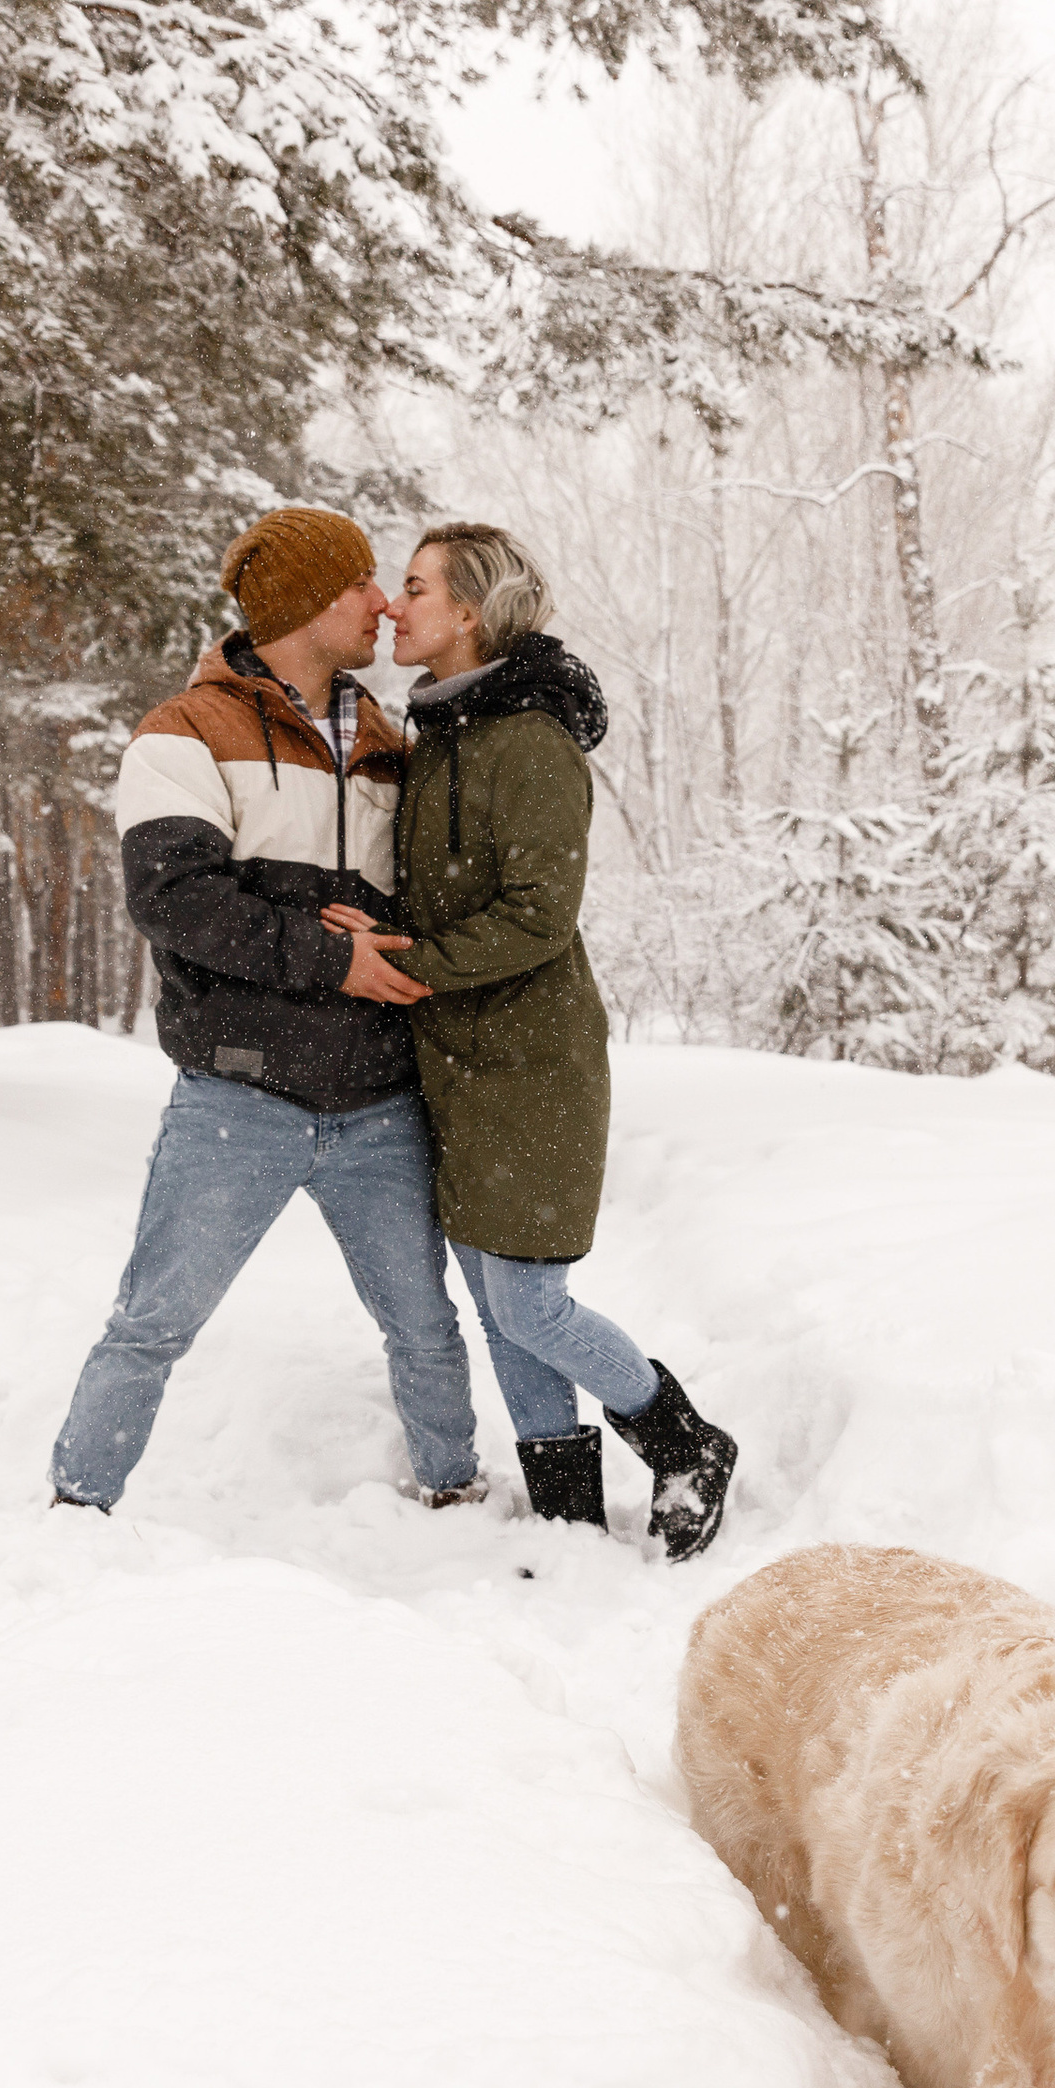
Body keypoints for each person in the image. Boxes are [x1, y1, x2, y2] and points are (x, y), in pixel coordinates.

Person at [47, 506, 481, 1515]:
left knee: (424, 1323)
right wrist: (326, 950)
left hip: (378, 1101)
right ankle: (77, 1507)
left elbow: (407, 899)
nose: (381, 604)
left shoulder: (383, 740)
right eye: (358, 586)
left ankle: (454, 1494)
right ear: (298, 605)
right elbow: (175, 900)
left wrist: (361, 926)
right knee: (153, 1320)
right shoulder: (184, 734)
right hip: (238, 1096)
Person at [324, 522, 737, 1560]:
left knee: (527, 1298)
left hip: (533, 1066)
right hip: (450, 1063)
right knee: (492, 1292)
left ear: (469, 612)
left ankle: (687, 1444)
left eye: (414, 587)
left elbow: (537, 917)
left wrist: (403, 959)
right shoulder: (438, 738)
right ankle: (564, 1511)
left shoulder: (531, 745)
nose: (393, 604)